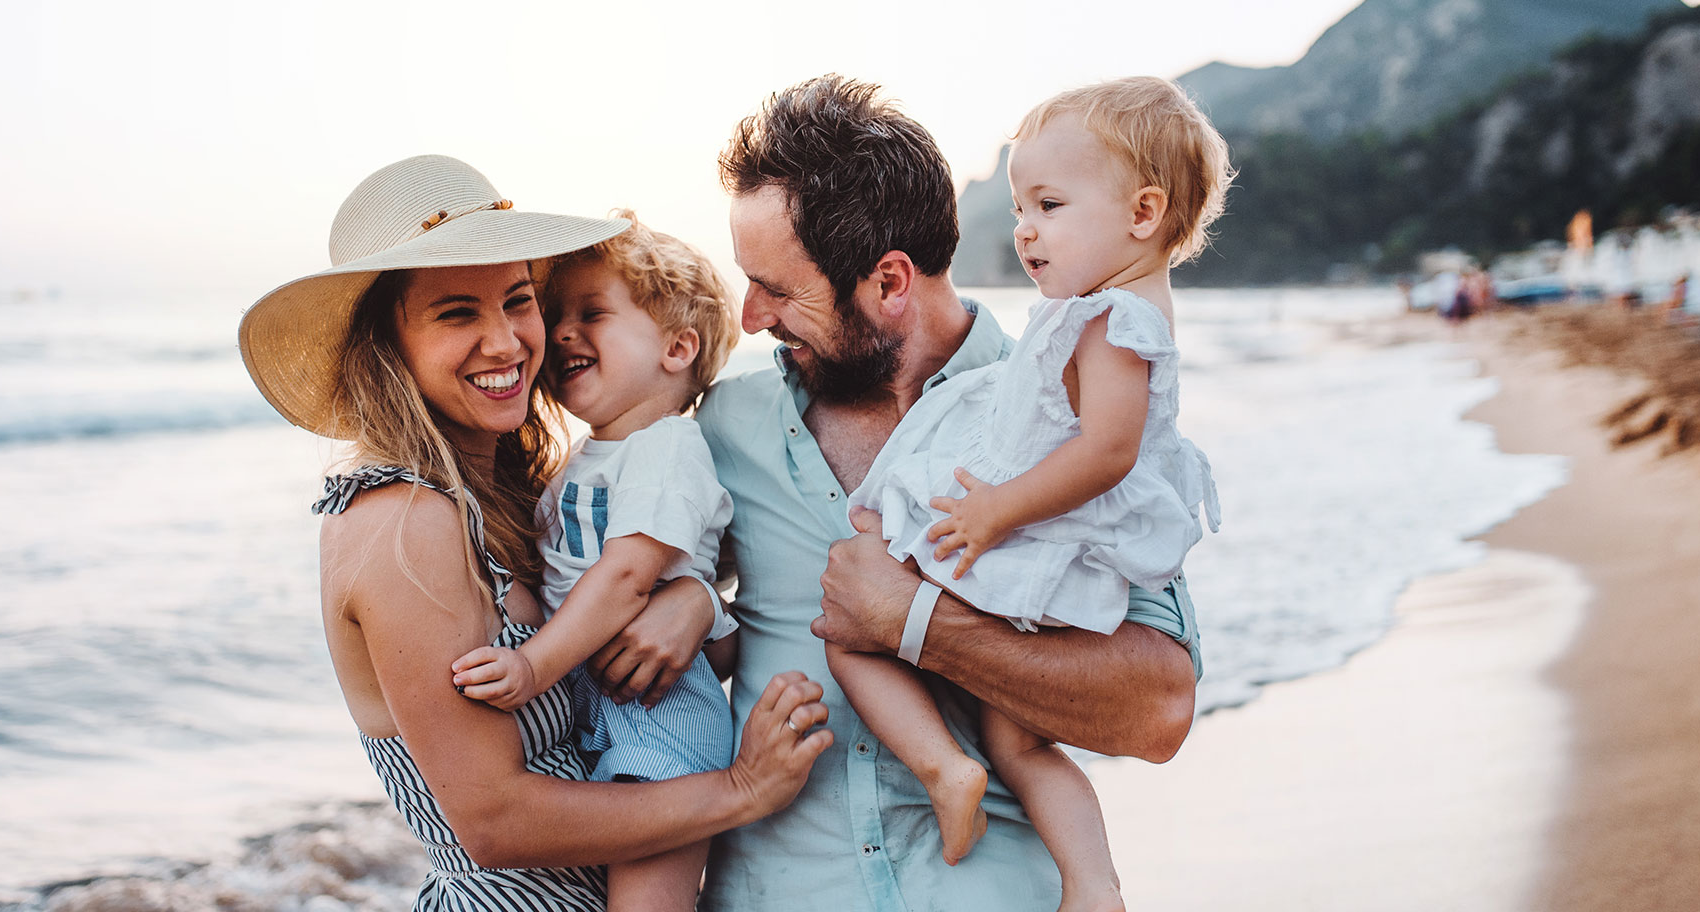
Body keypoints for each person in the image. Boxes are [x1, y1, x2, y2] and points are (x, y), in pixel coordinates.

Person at [237, 155, 832, 911]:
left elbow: (632, 651)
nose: (507, 342)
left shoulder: (521, 495)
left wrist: (690, 601)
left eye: (518, 301)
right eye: (457, 314)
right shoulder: (401, 523)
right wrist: (742, 790)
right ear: (388, 345)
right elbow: (494, 822)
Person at [686, 76, 1203, 912]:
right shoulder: (721, 429)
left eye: (778, 289)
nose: (750, 318)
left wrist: (915, 622)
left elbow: (1158, 710)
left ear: (890, 282)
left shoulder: (1062, 416)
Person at [839, 76, 1227, 912]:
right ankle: (1093, 887)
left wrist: (995, 511)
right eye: (1020, 208)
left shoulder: (1117, 320)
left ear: (1143, 213)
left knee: (853, 613)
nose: (1024, 230)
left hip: (1043, 538)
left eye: (1049, 205)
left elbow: (1108, 452)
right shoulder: (1109, 306)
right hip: (1057, 542)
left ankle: (945, 768)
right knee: (1020, 738)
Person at [447, 213, 743, 912]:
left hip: (660, 717)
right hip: (605, 710)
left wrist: (531, 666)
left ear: (677, 348)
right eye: (557, 316)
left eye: (593, 314)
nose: (563, 333)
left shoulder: (666, 449)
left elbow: (627, 577)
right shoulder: (589, 460)